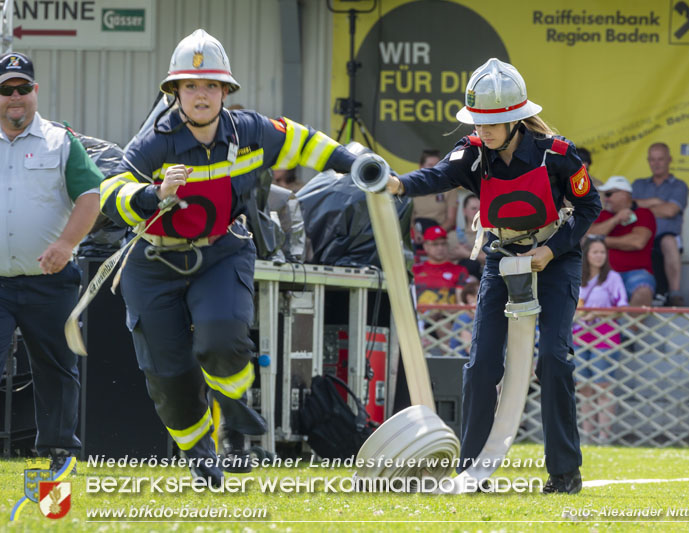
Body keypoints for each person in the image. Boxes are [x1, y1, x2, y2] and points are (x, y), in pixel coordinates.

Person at [100, 30, 356, 485]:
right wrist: (153, 194)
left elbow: (305, 142)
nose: (202, 94)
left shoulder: (252, 131)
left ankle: (234, 426)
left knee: (222, 340)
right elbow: (110, 193)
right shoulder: (153, 143)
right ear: (175, 92)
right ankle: (202, 458)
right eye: (192, 85)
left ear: (225, 91)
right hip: (152, 263)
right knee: (169, 375)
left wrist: (357, 165)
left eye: (211, 85)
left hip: (222, 251)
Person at [386, 58, 601, 494]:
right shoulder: (471, 152)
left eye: (494, 122)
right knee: (482, 364)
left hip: (555, 262)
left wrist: (552, 249)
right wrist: (398, 185)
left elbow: (589, 207)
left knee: (554, 360)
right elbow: (437, 175)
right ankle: (473, 472)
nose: (484, 130)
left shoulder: (557, 153)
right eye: (479, 121)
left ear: (516, 119)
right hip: (502, 262)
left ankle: (564, 472)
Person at [0, 52, 103, 473]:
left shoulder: (61, 142)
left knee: (57, 369)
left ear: (35, 92)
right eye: (6, 90)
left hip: (51, 279)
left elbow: (91, 196)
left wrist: (66, 242)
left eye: (23, 88)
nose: (15, 97)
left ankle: (60, 455)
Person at [573, 237, 627, 444]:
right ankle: (587, 435)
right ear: (586, 255)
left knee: (602, 385)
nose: (599, 256)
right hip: (579, 335)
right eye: (595, 252)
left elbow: (621, 307)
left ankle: (604, 436)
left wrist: (599, 313)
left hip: (605, 335)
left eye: (602, 252)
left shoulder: (612, 278)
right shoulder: (577, 278)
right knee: (584, 387)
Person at [632, 143, 689, 306]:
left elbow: (671, 210)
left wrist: (643, 207)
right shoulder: (638, 184)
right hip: (642, 235)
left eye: (660, 159)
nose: (656, 163)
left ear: (669, 160)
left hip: (668, 236)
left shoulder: (679, 185)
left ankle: (675, 294)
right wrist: (656, 202)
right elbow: (630, 206)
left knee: (668, 241)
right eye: (652, 160)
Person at [588, 176, 656, 307]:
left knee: (643, 292)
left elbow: (637, 242)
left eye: (609, 194)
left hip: (636, 272)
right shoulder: (603, 215)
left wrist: (602, 240)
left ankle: (630, 328)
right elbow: (588, 236)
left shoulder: (644, 213)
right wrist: (616, 219)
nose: (606, 198)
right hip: (604, 273)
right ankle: (607, 327)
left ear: (624, 194)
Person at [411, 149, 459, 244]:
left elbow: (451, 220)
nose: (434, 169)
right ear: (421, 167)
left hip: (441, 233)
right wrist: (415, 233)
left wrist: (434, 235)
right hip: (417, 233)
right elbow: (408, 218)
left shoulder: (449, 188)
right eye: (430, 165)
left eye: (438, 165)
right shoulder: (412, 187)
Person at [447, 194, 485, 277]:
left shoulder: (490, 238)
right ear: (464, 211)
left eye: (480, 209)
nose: (478, 212)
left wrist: (467, 254)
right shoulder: (452, 236)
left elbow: (492, 259)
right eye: (473, 209)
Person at [449, 280, 478, 357]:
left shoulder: (474, 316)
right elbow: (469, 349)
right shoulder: (464, 317)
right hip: (462, 360)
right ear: (470, 298)